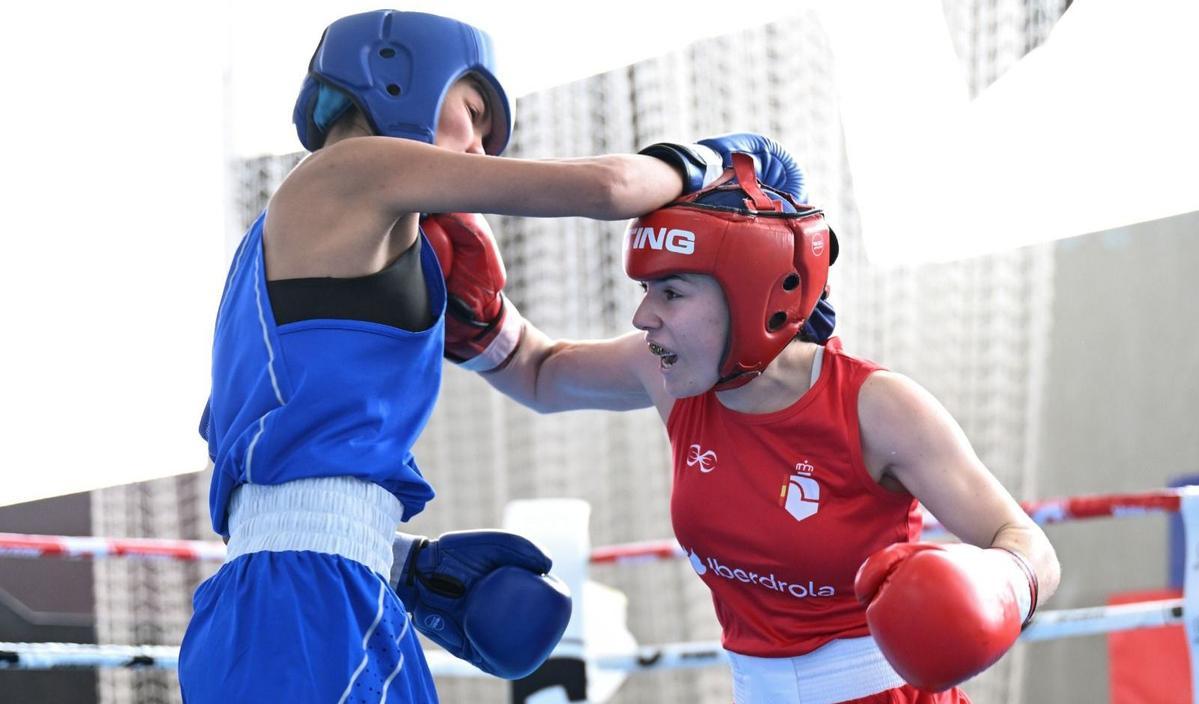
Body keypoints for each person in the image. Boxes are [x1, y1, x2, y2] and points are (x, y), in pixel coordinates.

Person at [179, 8, 798, 703]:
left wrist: (705, 346)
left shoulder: (369, 252)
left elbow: (542, 371)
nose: (479, 149)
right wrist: (722, 160)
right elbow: (607, 190)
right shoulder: (344, 173)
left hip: (307, 592)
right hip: (302, 603)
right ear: (396, 79)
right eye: (473, 113)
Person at [434, 152, 1062, 703]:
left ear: (754, 294)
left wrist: (994, 586)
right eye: (648, 289)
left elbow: (1027, 543)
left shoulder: (875, 406)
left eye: (671, 293)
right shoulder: (667, 375)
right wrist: (475, 316)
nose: (644, 315)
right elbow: (541, 373)